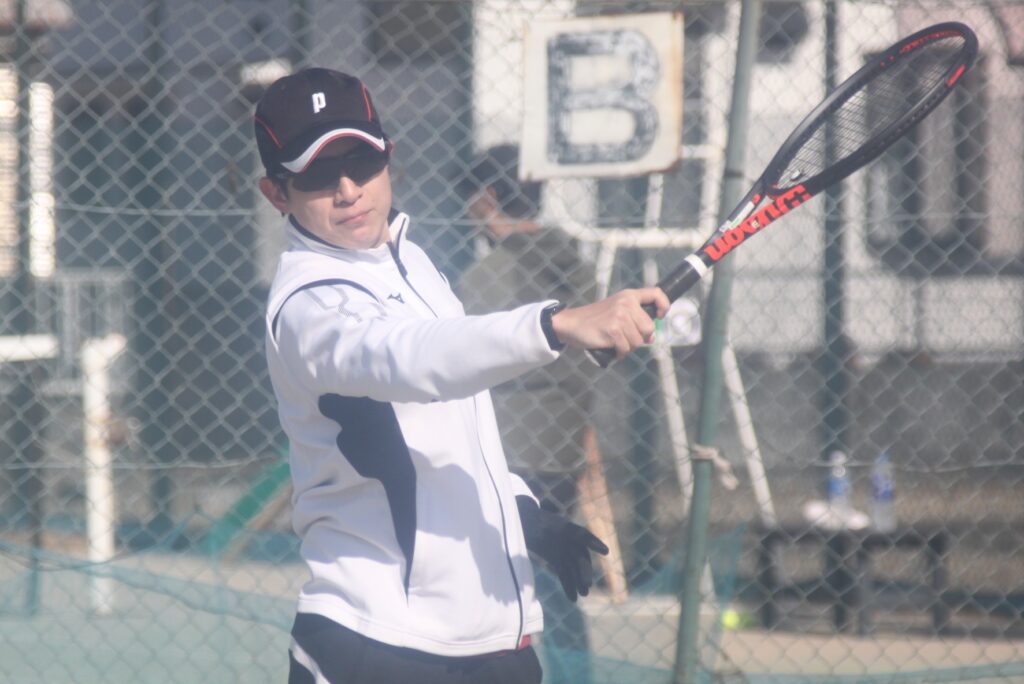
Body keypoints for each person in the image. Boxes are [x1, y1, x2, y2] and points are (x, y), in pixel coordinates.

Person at [254, 67, 669, 684]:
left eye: (362, 162)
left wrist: (521, 513)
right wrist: (555, 324)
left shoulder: (411, 260)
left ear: (389, 158)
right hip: (374, 642)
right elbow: (409, 359)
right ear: (276, 193)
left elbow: (448, 425)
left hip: (491, 641)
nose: (347, 189)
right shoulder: (305, 301)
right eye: (317, 173)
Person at [456, 145, 600, 684]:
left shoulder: (484, 278)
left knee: (495, 585)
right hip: (561, 446)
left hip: (504, 454)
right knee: (560, 576)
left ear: (488, 197)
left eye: (470, 201)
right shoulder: (577, 269)